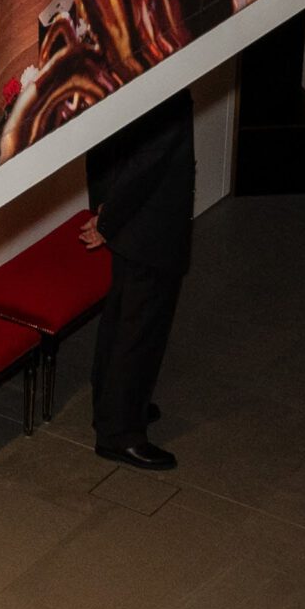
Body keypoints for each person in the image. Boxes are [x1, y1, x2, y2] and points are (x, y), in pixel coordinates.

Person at [80, 88, 196, 469]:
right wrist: (108, 217)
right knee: (140, 328)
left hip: (133, 220)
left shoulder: (126, 65)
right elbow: (152, 157)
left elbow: (101, 132)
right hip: (150, 222)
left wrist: (104, 206)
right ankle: (120, 433)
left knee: (123, 319)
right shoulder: (165, 75)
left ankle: (115, 408)